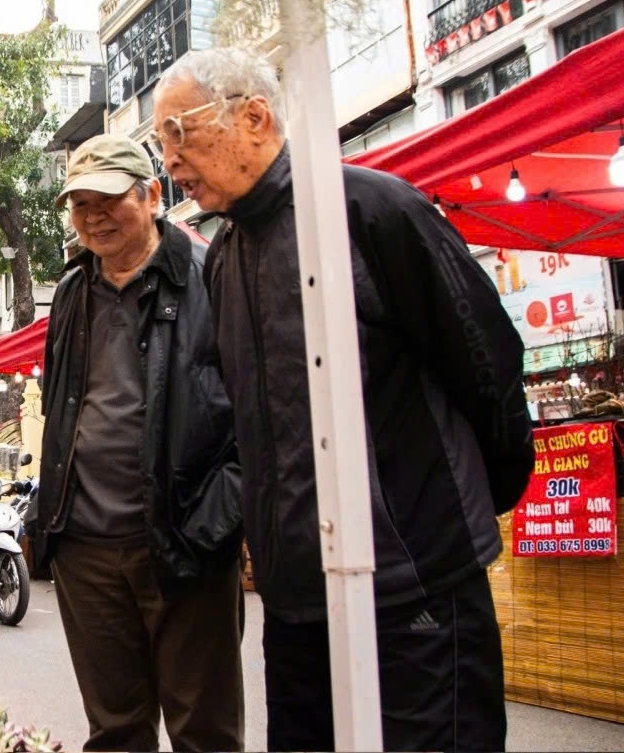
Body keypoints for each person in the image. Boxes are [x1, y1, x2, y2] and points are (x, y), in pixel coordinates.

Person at [151, 48, 535, 752]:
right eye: (160, 143)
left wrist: (455, 516)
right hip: (296, 604)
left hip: (414, 587)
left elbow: (488, 364)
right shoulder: (224, 256)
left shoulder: (371, 210)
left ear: (254, 118)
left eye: (177, 135)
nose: (168, 162)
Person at [37, 134, 246, 752]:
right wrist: (50, 516)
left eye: (108, 199)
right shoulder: (73, 293)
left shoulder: (211, 274)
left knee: (203, 733)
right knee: (115, 732)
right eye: (80, 205)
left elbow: (257, 412)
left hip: (185, 544)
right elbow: (62, 407)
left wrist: (217, 520)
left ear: (153, 195)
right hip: (87, 551)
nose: (94, 217)